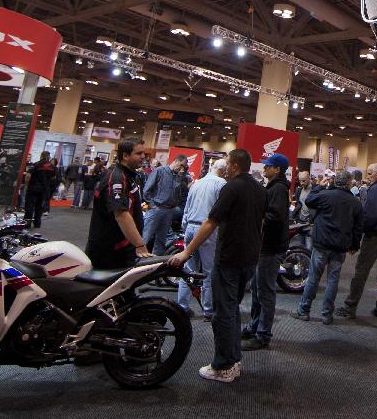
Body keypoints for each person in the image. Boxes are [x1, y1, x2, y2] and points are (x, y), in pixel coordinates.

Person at [168, 149, 265, 384]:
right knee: (232, 309)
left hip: (230, 258)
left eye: (228, 164)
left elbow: (211, 222)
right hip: (249, 258)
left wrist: (187, 251)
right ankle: (234, 360)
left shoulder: (231, 188)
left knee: (223, 313)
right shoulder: (260, 189)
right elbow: (261, 223)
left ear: (233, 165)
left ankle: (223, 366)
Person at [291, 169, 363, 325]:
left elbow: (309, 200)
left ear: (334, 181)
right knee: (333, 280)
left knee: (313, 278)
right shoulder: (354, 203)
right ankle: (326, 315)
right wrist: (354, 245)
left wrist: (319, 187)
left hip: (321, 243)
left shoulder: (325, 195)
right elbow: (358, 227)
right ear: (349, 183)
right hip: (340, 246)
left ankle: (304, 311)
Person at [336, 163, 377, 321]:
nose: (368, 176)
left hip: (374, 236)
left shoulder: (375, 190)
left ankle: (350, 307)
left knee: (361, 271)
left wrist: (359, 233)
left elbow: (370, 216)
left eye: (370, 173)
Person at [242, 152, 291, 351]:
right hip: (266, 246)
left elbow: (275, 216)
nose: (264, 168)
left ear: (277, 169)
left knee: (264, 291)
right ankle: (254, 328)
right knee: (257, 289)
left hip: (270, 248)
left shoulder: (278, 188)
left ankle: (262, 335)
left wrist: (257, 217)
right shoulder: (275, 187)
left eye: (268, 166)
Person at [85, 137, 152, 269]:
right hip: (110, 250)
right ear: (125, 156)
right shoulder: (116, 178)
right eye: (139, 154)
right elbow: (121, 214)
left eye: (143, 153)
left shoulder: (131, 176)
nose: (143, 157)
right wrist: (139, 244)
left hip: (124, 247)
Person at [177, 159, 228, 320]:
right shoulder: (221, 184)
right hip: (207, 229)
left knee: (188, 270)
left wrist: (185, 227)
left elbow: (186, 208)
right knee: (208, 271)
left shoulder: (196, 183)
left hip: (191, 227)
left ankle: (182, 307)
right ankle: (208, 310)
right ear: (223, 171)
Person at [143, 154, 186, 254]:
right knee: (146, 237)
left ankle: (155, 263)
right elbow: (146, 190)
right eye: (181, 165)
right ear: (175, 161)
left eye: (184, 166)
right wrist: (152, 205)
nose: (182, 168)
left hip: (169, 210)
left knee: (161, 241)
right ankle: (136, 261)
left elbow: (178, 193)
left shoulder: (177, 176)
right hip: (156, 209)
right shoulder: (159, 171)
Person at [24, 151, 56, 228]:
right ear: (49, 157)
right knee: (39, 207)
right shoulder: (52, 168)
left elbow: (28, 176)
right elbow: (53, 179)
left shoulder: (35, 165)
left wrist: (26, 185)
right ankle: (37, 223)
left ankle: (27, 223)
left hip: (33, 188)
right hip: (44, 190)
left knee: (29, 206)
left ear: (41, 156)